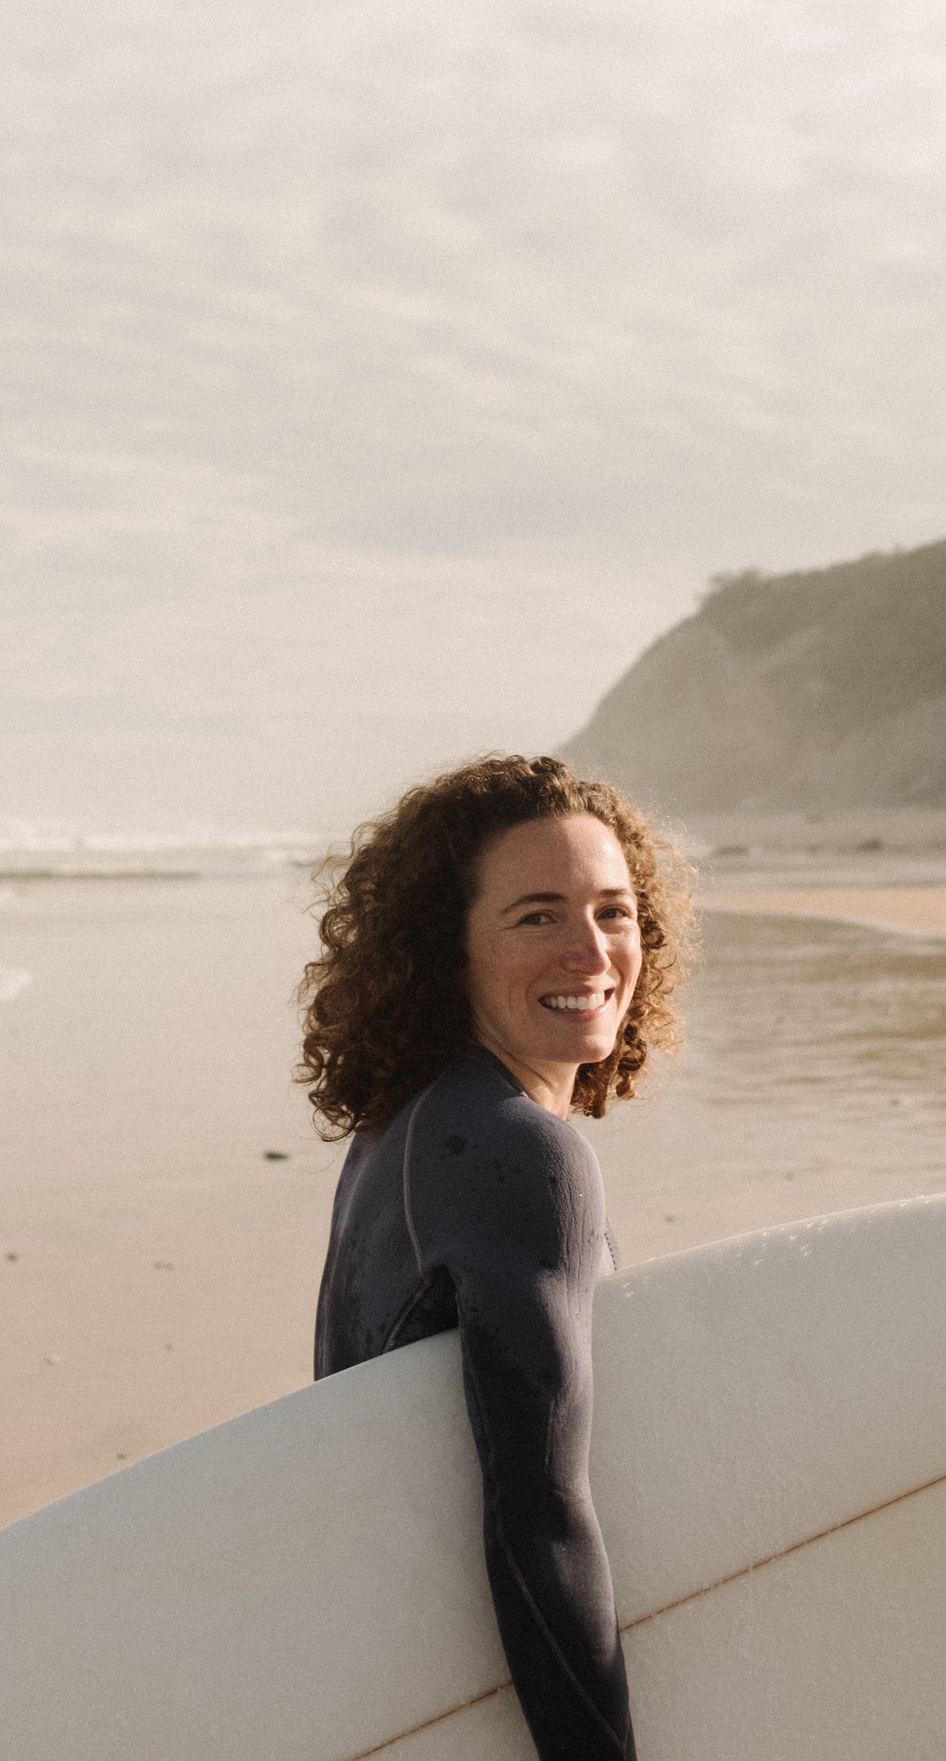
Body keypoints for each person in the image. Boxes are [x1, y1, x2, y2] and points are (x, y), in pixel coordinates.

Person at [301, 754, 692, 1761]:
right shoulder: (520, 1147)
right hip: (484, 1700)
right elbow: (540, 1513)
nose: (592, 951)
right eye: (537, 916)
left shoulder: (413, 1119)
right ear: (449, 953)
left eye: (613, 911)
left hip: (397, 1676)